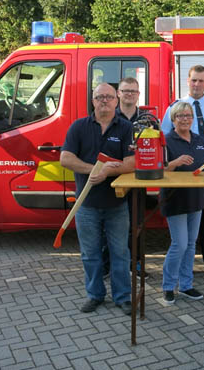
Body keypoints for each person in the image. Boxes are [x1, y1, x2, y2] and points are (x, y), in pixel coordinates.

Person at [60, 83, 135, 314]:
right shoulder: (79, 127)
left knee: (120, 253)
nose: (104, 100)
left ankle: (123, 297)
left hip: (117, 204)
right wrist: (93, 169)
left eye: (109, 97)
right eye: (99, 97)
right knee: (90, 254)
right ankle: (95, 295)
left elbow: (133, 162)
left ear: (116, 100)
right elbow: (65, 158)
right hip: (87, 205)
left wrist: (108, 172)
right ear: (93, 101)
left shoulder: (125, 128)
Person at [161, 65, 204, 279]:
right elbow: (164, 139)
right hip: (181, 169)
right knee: (184, 216)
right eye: (194, 80)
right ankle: (184, 267)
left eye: (201, 81)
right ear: (188, 81)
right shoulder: (174, 108)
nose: (197, 84)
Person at [161, 102, 204, 305]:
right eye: (180, 116)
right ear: (173, 119)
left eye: (188, 116)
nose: (185, 119)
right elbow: (158, 170)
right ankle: (168, 286)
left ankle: (186, 285)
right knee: (179, 244)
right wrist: (175, 163)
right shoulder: (166, 141)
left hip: (197, 199)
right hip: (174, 199)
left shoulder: (199, 140)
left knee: (191, 244)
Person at [102, 77, 147, 278]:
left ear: (139, 95)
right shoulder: (107, 117)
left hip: (138, 181)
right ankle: (107, 266)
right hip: (111, 181)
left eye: (133, 91)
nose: (129, 94)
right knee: (108, 225)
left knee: (136, 226)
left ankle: (135, 265)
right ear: (118, 93)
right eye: (125, 90)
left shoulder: (148, 120)